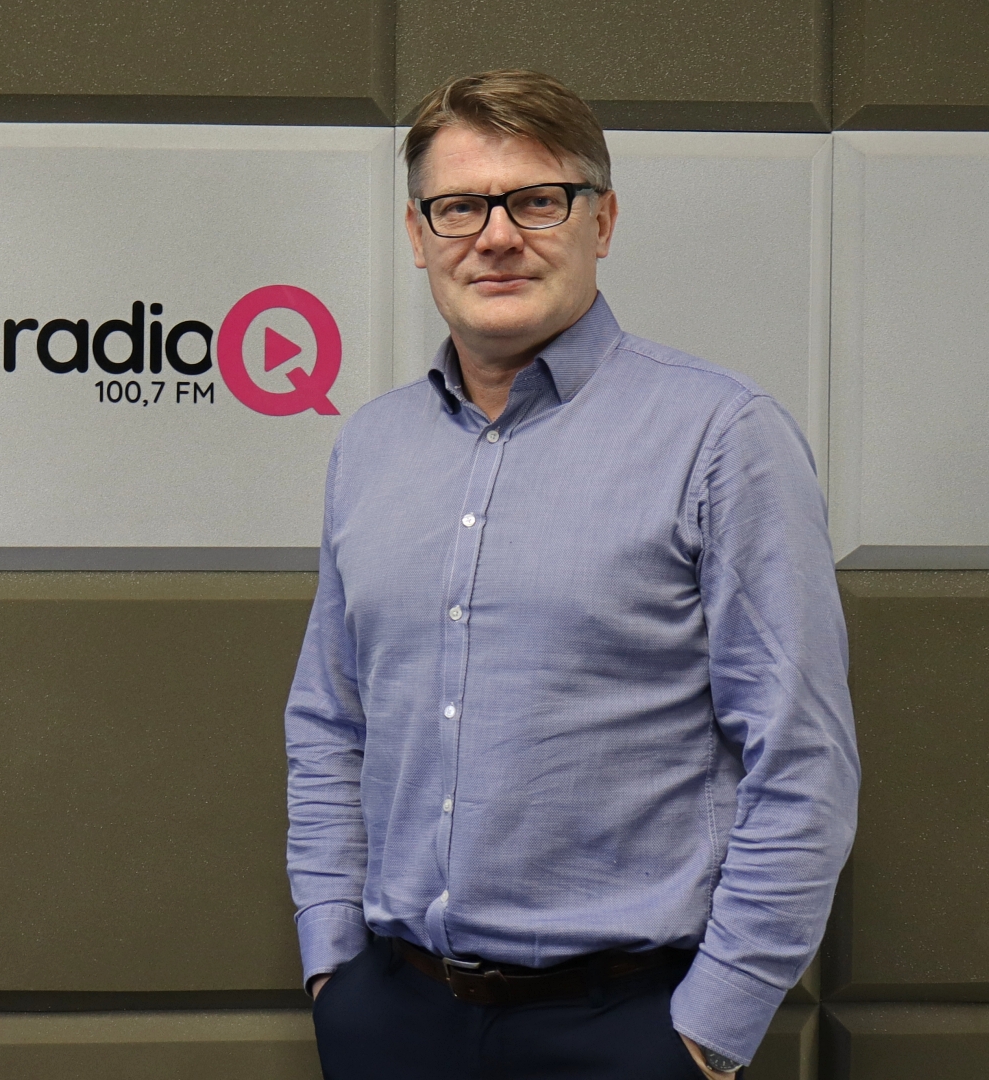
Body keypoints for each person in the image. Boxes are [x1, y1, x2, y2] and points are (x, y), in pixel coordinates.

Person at [284, 69, 859, 1080]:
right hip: (391, 1019)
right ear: (418, 234)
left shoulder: (722, 437)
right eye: (460, 207)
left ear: (604, 220)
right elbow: (331, 721)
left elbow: (802, 758)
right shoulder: (370, 448)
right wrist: (334, 964)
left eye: (538, 200)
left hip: (627, 1029)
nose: (497, 236)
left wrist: (707, 1034)